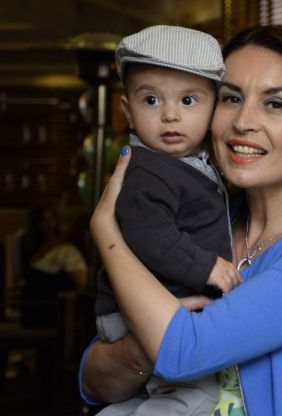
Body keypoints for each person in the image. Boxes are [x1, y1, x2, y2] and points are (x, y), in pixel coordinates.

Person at [81, 25, 282, 415]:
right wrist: (140, 349)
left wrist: (107, 233)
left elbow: (185, 352)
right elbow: (94, 381)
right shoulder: (200, 220)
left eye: (275, 104)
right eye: (231, 98)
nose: (243, 121)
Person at [94, 25, 242, 416]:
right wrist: (205, 266)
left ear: (213, 108)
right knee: (192, 397)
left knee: (143, 400)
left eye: (189, 100)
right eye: (151, 100)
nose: (171, 115)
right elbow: (151, 236)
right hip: (143, 313)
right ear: (128, 111)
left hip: (154, 307)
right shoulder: (148, 172)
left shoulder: (185, 165)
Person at [20, 204, 88, 327]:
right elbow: (82, 282)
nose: (49, 224)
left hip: (45, 301)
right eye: (44, 220)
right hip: (41, 303)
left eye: (51, 219)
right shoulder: (30, 244)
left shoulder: (61, 243)